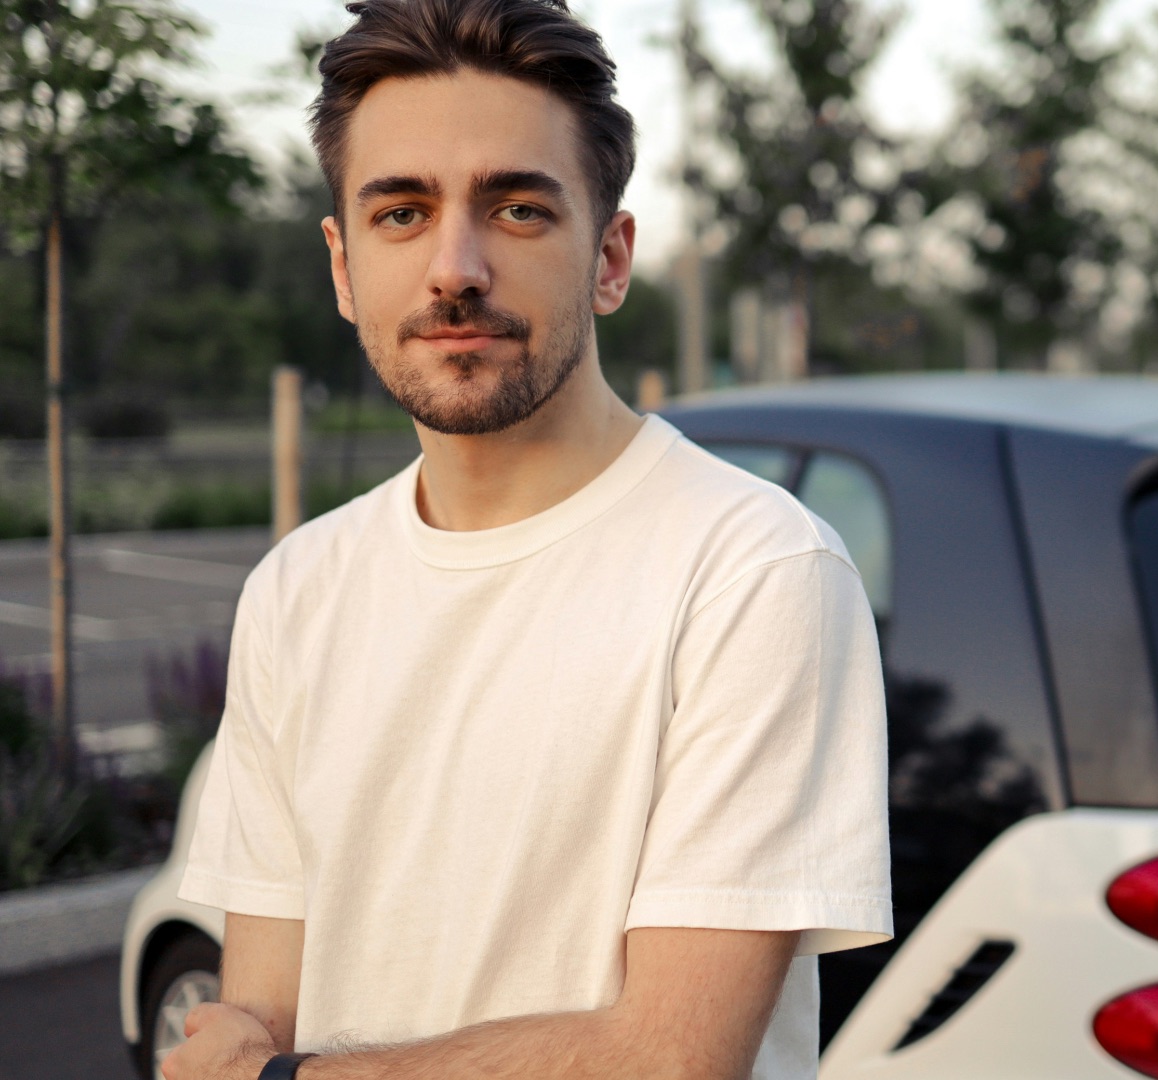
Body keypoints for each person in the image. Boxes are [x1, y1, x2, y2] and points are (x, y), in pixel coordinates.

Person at [162, 1, 890, 1077]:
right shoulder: (296, 591)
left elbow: (667, 1062)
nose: (455, 267)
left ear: (610, 256)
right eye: (402, 213)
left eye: (515, 210)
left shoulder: (753, 571)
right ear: (343, 265)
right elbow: (255, 1022)